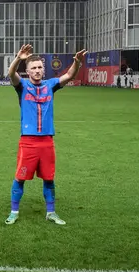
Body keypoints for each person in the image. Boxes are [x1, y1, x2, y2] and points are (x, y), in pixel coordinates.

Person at [5, 44, 86, 226]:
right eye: (33, 68)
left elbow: (69, 75)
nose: (37, 70)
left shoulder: (50, 85)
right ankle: (13, 211)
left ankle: (51, 212)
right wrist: (19, 58)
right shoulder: (22, 86)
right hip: (28, 142)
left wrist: (77, 62)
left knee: (49, 178)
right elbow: (11, 74)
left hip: (47, 142)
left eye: (40, 67)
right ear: (27, 71)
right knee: (20, 177)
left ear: (44, 69)